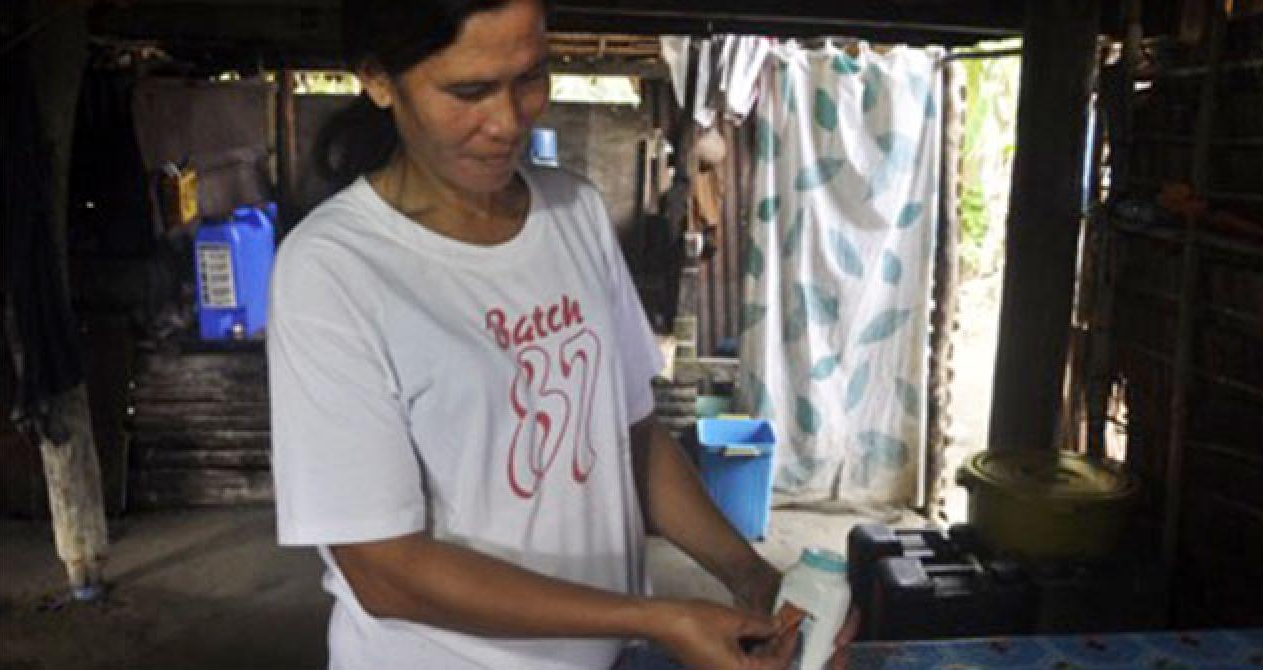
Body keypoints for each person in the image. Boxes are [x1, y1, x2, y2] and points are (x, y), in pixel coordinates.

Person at [268, 0, 856, 668]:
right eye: (469, 91)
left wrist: (748, 576)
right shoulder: (333, 270)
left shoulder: (574, 212)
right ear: (378, 80)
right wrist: (657, 617)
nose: (508, 120)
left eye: (530, 77)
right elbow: (384, 571)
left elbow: (630, 438)